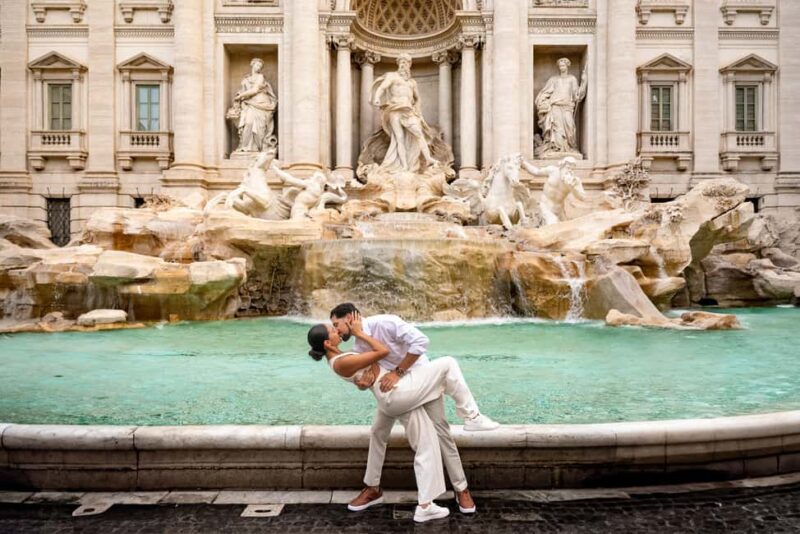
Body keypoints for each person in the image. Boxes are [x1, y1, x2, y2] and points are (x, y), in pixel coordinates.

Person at [307, 311, 498, 522]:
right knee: (448, 366)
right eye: (333, 329)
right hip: (398, 393)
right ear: (327, 343)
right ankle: (426, 503)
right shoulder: (350, 350)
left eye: (336, 325)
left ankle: (454, 490)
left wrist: (369, 375)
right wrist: (361, 336)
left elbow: (372, 366)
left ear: (350, 318)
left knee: (380, 433)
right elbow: (381, 353)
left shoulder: (382, 326)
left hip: (406, 385)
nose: (337, 330)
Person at [371, 54, 438, 173]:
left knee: (419, 133)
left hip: (408, 110)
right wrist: (377, 97)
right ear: (398, 64)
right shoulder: (392, 76)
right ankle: (404, 166)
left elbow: (417, 98)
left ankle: (428, 158)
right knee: (399, 138)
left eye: (406, 62)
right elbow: (382, 87)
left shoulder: (412, 82)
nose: (403, 65)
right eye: (401, 62)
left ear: (409, 65)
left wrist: (418, 111)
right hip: (394, 109)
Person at [534, 57, 587, 158]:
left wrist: (584, 82)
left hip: (567, 107)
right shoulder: (554, 79)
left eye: (563, 65)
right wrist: (542, 101)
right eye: (560, 66)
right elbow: (545, 92)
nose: (562, 67)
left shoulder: (572, 79)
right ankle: (556, 148)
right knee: (557, 129)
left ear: (567, 66)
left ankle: (570, 147)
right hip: (555, 107)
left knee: (570, 127)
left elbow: (577, 95)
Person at [522, 156, 587, 225]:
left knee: (567, 228)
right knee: (552, 222)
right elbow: (536, 171)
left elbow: (583, 197)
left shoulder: (575, 181)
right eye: (568, 168)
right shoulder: (552, 170)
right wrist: (523, 163)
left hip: (559, 210)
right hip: (545, 206)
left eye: (572, 169)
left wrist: (573, 188)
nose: (569, 171)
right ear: (562, 166)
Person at [232, 58, 277, 153]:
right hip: (250, 104)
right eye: (257, 65)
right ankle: (245, 147)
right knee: (248, 123)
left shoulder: (260, 77)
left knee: (260, 128)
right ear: (252, 65)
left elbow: (255, 90)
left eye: (260, 66)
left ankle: (256, 148)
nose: (259, 67)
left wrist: (240, 96)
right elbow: (243, 91)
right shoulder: (246, 79)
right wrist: (239, 95)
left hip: (261, 103)